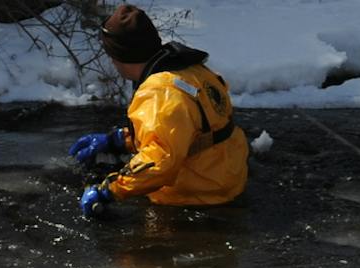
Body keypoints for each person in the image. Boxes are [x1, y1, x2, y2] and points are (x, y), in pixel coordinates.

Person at [71, 5, 248, 216]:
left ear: (121, 56)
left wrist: (108, 190)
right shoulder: (191, 70)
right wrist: (120, 140)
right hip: (229, 179)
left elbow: (160, 162)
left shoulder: (158, 94)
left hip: (194, 198)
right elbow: (185, 131)